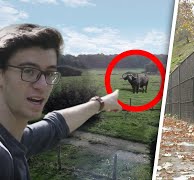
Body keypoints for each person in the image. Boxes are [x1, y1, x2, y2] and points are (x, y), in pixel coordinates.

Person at [0, 23, 122, 179]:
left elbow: (54, 127)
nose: (43, 85)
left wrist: (101, 103)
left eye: (50, 73)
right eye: (29, 71)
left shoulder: (14, 138)